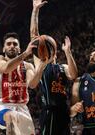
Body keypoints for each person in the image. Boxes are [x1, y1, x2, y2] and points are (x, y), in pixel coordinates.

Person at [29, 0, 78, 134]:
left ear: (55, 51)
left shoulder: (62, 67)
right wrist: (35, 10)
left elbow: (73, 75)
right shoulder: (42, 64)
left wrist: (68, 52)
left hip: (64, 111)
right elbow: (34, 36)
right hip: (49, 110)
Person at [0, 32, 37, 135]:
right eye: (9, 44)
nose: (12, 46)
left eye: (15, 44)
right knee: (11, 116)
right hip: (2, 106)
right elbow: (6, 69)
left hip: (22, 108)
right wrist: (25, 54)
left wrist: (42, 66)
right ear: (3, 49)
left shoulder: (28, 66)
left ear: (19, 49)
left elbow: (33, 84)